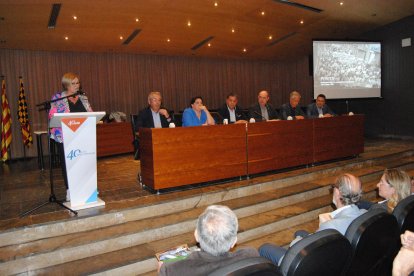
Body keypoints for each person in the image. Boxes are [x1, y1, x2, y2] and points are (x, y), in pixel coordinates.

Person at [259, 173, 367, 266]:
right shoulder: (364, 213)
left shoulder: (330, 227)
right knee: (299, 232)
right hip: (343, 258)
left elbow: (307, 250)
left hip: (310, 266)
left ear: (338, 192)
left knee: (265, 248)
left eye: (333, 187)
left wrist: (296, 242)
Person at [158, 205, 259, 275]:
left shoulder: (171, 269)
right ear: (234, 242)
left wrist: (161, 269)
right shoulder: (251, 256)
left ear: (196, 235)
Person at [49, 72, 93, 201]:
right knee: (68, 163)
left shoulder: (83, 97)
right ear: (66, 84)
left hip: (82, 135)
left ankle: (85, 187)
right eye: (73, 83)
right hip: (64, 136)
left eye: (78, 82)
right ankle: (70, 189)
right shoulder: (57, 97)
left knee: (83, 162)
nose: (76, 85)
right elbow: (52, 116)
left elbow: (90, 113)